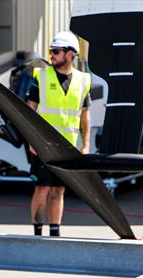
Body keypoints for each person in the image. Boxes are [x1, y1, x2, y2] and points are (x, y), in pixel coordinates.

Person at [26, 31, 91, 237]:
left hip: (67, 146)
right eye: (51, 51)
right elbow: (28, 113)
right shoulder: (41, 77)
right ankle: (38, 233)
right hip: (43, 146)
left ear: (70, 54)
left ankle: (55, 233)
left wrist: (86, 144)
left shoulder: (83, 81)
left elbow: (84, 116)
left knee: (58, 191)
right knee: (42, 189)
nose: (51, 55)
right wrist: (31, 140)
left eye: (56, 51)